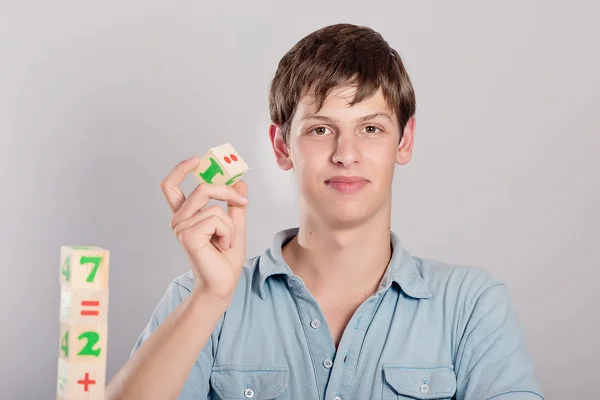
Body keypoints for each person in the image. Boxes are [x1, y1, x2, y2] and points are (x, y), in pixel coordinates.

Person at [106, 23, 545, 400]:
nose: (346, 154)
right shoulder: (196, 297)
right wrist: (210, 299)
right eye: (320, 129)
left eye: (370, 128)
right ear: (282, 146)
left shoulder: (471, 306)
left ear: (404, 141)